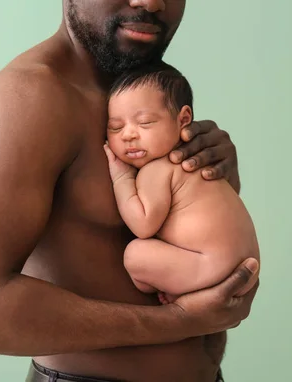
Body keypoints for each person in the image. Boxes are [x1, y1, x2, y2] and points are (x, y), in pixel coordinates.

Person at [0, 1, 260, 381]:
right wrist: (179, 321)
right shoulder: (29, 98)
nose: (151, 2)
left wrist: (218, 181)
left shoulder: (145, 86)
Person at [103, 62, 261, 305]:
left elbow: (143, 225)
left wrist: (122, 177)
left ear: (183, 119)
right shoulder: (197, 162)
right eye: (115, 127)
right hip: (244, 266)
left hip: (213, 267)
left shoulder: (158, 169)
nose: (128, 135)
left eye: (145, 123)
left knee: (135, 255)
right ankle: (184, 285)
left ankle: (184, 287)